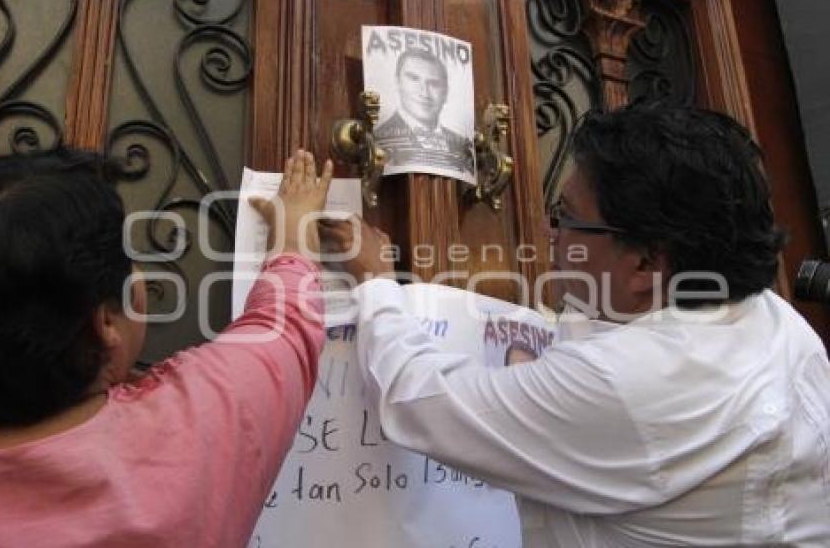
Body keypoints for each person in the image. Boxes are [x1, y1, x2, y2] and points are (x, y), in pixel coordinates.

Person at [322, 105, 830, 546]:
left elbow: (418, 401)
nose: (549, 236)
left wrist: (375, 282)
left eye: (565, 217)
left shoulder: (628, 384)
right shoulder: (774, 317)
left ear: (647, 264)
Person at [0, 148, 332, 547]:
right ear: (106, 322)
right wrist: (293, 231)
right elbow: (284, 326)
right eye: (128, 260)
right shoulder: (192, 432)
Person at [374, 48, 474, 174]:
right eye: (414, 79)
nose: (424, 92)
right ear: (397, 82)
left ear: (446, 92)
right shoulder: (378, 139)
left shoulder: (462, 145)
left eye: (434, 83)